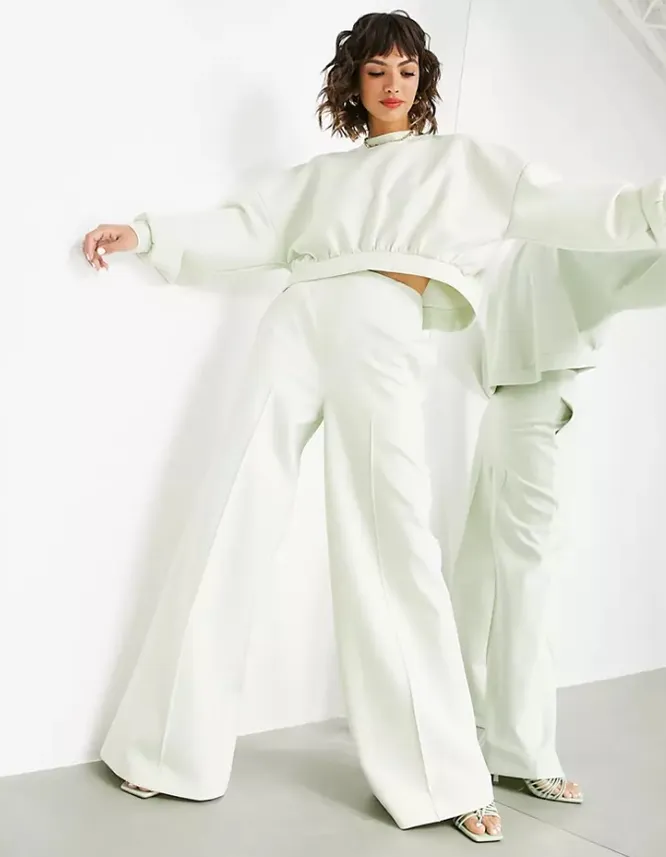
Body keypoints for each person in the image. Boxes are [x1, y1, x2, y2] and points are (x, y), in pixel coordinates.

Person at [81, 9, 666, 845]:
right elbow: (247, 228)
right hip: (295, 321)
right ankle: (165, 748)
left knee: (391, 536)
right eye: (376, 70)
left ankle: (443, 774)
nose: (394, 83)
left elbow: (582, 208)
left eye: (407, 69)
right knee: (230, 514)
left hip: (382, 323)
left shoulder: (464, 163)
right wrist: (145, 232)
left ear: (424, 80)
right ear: (353, 83)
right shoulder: (319, 178)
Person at [447, 242, 666, 805]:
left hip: (505, 407)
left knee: (482, 575)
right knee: (525, 580)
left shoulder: (511, 245)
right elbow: (650, 273)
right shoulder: (573, 239)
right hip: (540, 404)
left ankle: (468, 724)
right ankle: (521, 751)